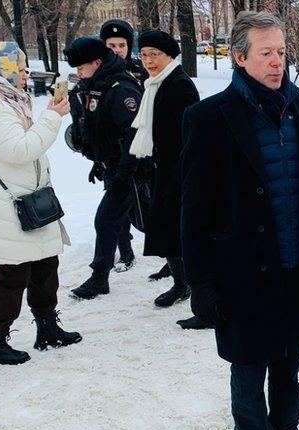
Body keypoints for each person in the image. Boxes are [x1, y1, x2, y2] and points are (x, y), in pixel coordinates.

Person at [180, 11, 299, 430]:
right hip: (241, 275)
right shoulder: (209, 118)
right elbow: (192, 209)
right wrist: (200, 283)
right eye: (266, 53)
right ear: (240, 57)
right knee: (249, 372)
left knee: (289, 369)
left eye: (281, 52)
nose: (277, 62)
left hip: (297, 265)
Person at [0, 42, 82, 365]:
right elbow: (18, 150)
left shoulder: (6, 100)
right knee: (11, 275)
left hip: (27, 201)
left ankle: (47, 328)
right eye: (20, 67)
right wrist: (52, 117)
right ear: (1, 70)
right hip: (5, 206)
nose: (26, 72)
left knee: (45, 266)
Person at [128, 30, 211, 330]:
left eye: (155, 55)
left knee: (183, 235)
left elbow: (190, 135)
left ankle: (201, 299)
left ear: (170, 56)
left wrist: (179, 172)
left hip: (180, 173)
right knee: (166, 231)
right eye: (145, 54)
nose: (148, 60)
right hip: (162, 169)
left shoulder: (179, 86)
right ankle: (181, 283)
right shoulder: (154, 84)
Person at [64, 37, 143, 300]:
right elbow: (100, 131)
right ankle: (101, 278)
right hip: (115, 167)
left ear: (97, 63)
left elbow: (134, 136)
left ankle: (191, 273)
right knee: (116, 221)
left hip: (132, 170)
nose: (79, 74)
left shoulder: (120, 88)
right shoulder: (97, 84)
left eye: (81, 68)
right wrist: (99, 162)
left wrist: (123, 174)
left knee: (127, 221)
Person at [100, 19, 148, 271]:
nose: (116, 49)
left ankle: (168, 252)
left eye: (121, 44)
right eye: (111, 45)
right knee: (116, 202)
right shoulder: (100, 74)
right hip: (114, 153)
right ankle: (125, 250)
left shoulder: (141, 70)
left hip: (142, 150)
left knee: (148, 203)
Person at [100, 19, 149, 85]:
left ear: (128, 47)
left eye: (122, 45)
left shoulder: (141, 69)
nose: (118, 50)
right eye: (112, 46)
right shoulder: (96, 72)